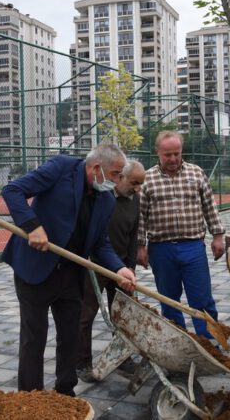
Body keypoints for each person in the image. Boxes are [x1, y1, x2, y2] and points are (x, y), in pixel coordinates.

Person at [0, 144, 137, 397]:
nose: (119, 180)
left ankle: (65, 393)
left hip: (71, 274)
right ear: (97, 169)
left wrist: (120, 268)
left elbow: (101, 244)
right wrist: (32, 226)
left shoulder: (106, 199)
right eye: (116, 174)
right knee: (34, 337)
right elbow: (12, 190)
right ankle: (31, 398)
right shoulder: (61, 168)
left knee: (70, 334)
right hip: (36, 268)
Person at [137, 131, 225, 340]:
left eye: (176, 153)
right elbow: (140, 215)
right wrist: (140, 246)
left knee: (202, 298)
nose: (173, 159)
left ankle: (209, 343)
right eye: (167, 154)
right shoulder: (147, 179)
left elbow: (209, 207)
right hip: (161, 248)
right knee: (169, 300)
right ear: (157, 152)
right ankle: (178, 342)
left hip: (193, 246)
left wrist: (218, 235)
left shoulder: (196, 173)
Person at [76, 159, 145, 382]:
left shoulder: (134, 200)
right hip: (94, 266)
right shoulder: (100, 198)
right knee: (86, 316)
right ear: (120, 177)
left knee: (123, 315)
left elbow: (133, 236)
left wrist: (130, 266)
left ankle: (122, 359)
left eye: (140, 184)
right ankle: (82, 363)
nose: (138, 188)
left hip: (122, 268)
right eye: (134, 182)